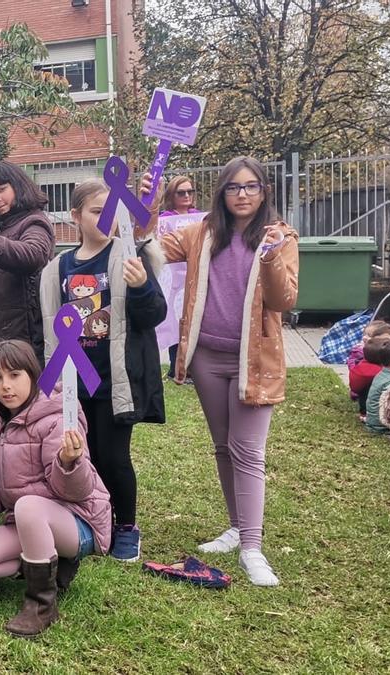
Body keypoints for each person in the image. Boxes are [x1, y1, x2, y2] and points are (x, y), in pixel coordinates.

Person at [150, 156, 299, 586]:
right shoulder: (203, 232)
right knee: (222, 445)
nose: (242, 195)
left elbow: (284, 300)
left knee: (248, 450)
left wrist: (269, 256)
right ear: (222, 192)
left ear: (265, 191)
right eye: (234, 188)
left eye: (251, 187)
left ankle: (252, 547)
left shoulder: (280, 236)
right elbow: (153, 247)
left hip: (254, 360)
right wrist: (148, 205)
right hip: (207, 357)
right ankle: (235, 527)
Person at [39, 180, 167, 562]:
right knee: (82, 457)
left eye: (115, 212)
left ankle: (126, 526)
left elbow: (153, 316)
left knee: (113, 457)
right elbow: (47, 325)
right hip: (72, 382)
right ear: (75, 216)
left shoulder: (129, 259)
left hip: (114, 381)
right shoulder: (55, 269)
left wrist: (142, 286)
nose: (107, 219)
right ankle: (94, 521)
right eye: (97, 211)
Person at [0, 339, 111, 637]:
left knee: (28, 504)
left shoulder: (58, 418)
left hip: (78, 521)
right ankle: (53, 564)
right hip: (29, 521)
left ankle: (41, 606)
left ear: (33, 375)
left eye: (14, 375)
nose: (5, 386)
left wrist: (69, 462)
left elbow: (77, 491)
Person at [0, 162, 55, 366]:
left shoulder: (34, 221)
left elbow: (33, 255)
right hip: (0, 335)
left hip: (25, 336)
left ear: (18, 185)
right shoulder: (4, 225)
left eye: (1, 189)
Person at [146, 176, 202, 380]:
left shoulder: (201, 218)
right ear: (171, 195)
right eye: (181, 192)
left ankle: (194, 367)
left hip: (196, 277)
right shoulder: (164, 220)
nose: (187, 196)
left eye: (190, 191)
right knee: (174, 323)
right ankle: (175, 367)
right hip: (173, 280)